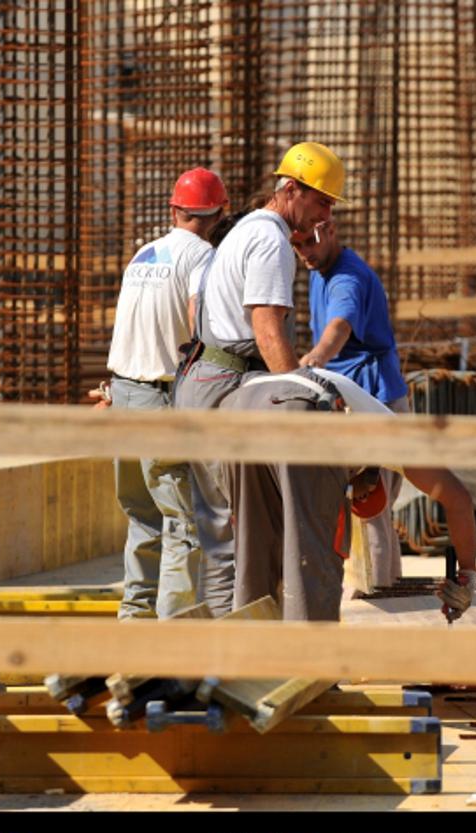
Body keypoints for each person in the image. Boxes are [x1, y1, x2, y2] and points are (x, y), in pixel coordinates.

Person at [173, 141, 346, 616]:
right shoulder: (271, 240)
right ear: (290, 190)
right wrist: (297, 394)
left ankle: (230, 656)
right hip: (223, 385)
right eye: (321, 201)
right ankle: (230, 665)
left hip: (205, 380)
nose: (324, 215)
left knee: (223, 536)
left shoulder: (247, 228)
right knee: (233, 538)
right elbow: (267, 329)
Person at [218, 366, 476, 622]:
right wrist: (468, 576)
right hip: (301, 403)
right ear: (374, 477)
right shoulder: (397, 439)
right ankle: (311, 660)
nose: (353, 497)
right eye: (359, 497)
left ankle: (250, 657)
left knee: (253, 560)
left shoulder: (358, 418)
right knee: (312, 565)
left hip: (239, 406)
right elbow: (459, 500)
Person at [106, 167, 226, 619]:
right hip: (161, 399)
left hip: (124, 395)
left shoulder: (144, 254)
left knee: (142, 516)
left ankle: (135, 620)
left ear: (174, 209)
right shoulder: (202, 257)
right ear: (220, 212)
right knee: (184, 524)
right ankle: (172, 637)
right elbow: (197, 319)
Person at [291, 216, 411, 591]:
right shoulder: (320, 269)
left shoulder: (346, 278)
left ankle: (379, 591)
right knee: (375, 507)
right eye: (297, 245)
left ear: (329, 230)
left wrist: (313, 360)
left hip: (374, 399)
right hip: (365, 396)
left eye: (310, 242)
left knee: (369, 504)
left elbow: (339, 328)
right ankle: (386, 586)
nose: (304, 253)